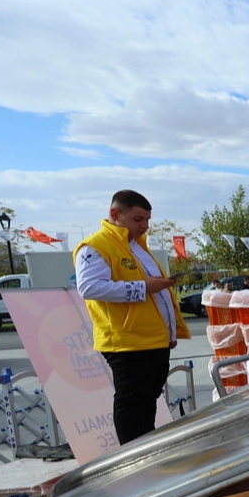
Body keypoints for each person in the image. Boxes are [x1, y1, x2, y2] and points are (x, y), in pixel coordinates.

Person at [74, 190, 191, 444]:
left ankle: (145, 452)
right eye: (138, 219)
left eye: (148, 220)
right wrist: (143, 287)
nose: (145, 226)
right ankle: (133, 458)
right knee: (132, 405)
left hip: (153, 340)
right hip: (127, 342)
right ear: (115, 214)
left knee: (146, 403)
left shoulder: (138, 246)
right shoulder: (95, 246)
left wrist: (170, 330)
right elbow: (89, 288)